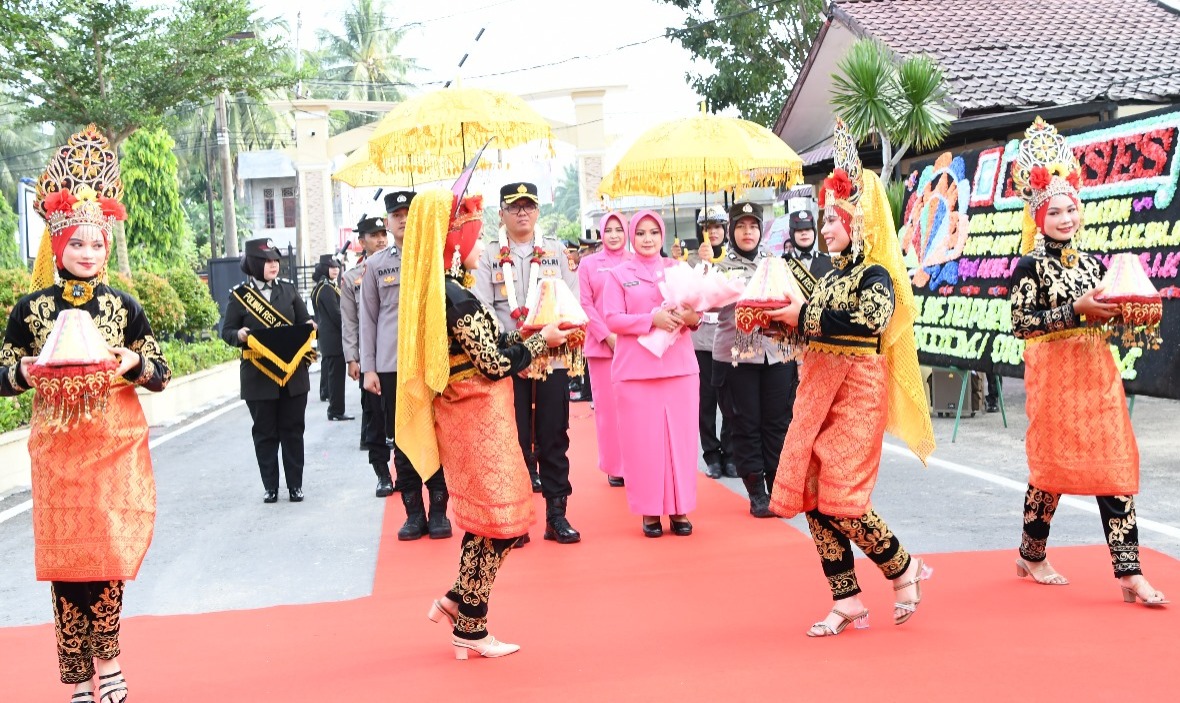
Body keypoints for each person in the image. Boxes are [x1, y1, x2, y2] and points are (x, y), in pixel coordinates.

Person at [0, 125, 171, 702]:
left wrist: (132, 363)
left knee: (107, 559)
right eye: (77, 243)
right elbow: (0, 373)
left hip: (113, 445)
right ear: (58, 245)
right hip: (57, 450)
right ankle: (76, 676)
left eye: (97, 244)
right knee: (67, 565)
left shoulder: (125, 306)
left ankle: (112, 660)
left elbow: (161, 372)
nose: (88, 253)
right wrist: (22, 374)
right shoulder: (30, 309)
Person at [765, 119, 936, 636]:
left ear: (859, 223)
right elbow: (816, 331)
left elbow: (869, 321)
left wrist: (803, 318)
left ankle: (902, 567)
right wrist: (781, 325)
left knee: (843, 494)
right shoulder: (828, 276)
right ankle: (847, 598)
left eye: (834, 219)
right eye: (823, 221)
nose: (825, 228)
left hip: (859, 392)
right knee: (815, 495)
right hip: (817, 390)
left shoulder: (875, 276)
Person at [397, 188, 571, 659]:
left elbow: (480, 354)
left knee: (487, 523)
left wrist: (529, 336)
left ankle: (461, 605)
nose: (482, 246)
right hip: (477, 421)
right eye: (474, 235)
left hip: (468, 417)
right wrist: (542, 342)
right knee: (501, 523)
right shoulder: (458, 298)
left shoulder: (441, 293)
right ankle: (470, 624)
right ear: (456, 243)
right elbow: (493, 363)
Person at [1006, 117, 1167, 606]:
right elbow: (1021, 323)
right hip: (1054, 377)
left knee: (1114, 467)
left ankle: (1130, 574)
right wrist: (1073, 310)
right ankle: (1031, 553)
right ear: (1038, 217)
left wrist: (1131, 314)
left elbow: (1107, 315)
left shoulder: (1096, 263)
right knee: (1052, 471)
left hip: (1096, 375)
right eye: (1055, 212)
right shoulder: (1029, 266)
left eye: (1071, 210)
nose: (1065, 219)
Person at [473, 181, 580, 544]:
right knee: (513, 438)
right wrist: (514, 345)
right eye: (514, 206)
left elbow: (571, 301)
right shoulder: (488, 256)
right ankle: (517, 521)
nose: (522, 212)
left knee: (553, 434)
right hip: (510, 357)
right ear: (501, 213)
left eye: (528, 206)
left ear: (537, 212)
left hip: (551, 358)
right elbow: (482, 306)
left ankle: (556, 515)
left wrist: (547, 339)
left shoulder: (556, 251)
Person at [603, 210, 702, 537]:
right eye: (641, 233)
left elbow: (696, 313)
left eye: (653, 233)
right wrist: (651, 319)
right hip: (636, 372)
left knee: (681, 442)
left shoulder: (678, 270)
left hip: (679, 370)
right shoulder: (618, 274)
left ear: (663, 236)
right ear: (633, 237)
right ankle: (649, 511)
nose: (647, 239)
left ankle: (679, 509)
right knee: (643, 444)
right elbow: (612, 319)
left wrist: (690, 316)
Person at [361, 193, 453, 539]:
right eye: (395, 214)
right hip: (392, 364)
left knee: (437, 435)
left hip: (431, 361)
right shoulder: (376, 265)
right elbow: (368, 319)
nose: (402, 219)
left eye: (408, 213)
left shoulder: (436, 256)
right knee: (402, 438)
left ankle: (440, 511)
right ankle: (414, 512)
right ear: (387, 222)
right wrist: (369, 368)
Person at [711, 201, 795, 518]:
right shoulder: (718, 267)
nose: (748, 233)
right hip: (735, 355)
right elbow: (709, 305)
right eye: (742, 226)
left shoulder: (774, 264)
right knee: (745, 424)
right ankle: (756, 492)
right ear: (731, 231)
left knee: (777, 423)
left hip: (775, 354)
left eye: (754, 226)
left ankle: (777, 488)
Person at [220, 237, 316, 503]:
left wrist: (310, 325)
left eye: (276, 260)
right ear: (254, 263)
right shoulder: (239, 296)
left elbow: (305, 320)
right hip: (258, 376)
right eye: (267, 261)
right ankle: (270, 486)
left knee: (293, 430)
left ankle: (295, 486)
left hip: (292, 376)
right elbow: (226, 331)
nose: (274, 265)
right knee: (265, 433)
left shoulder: (289, 290)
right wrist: (237, 334)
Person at [577, 211, 630, 487]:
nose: (613, 235)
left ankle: (636, 460)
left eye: (618, 229)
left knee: (635, 408)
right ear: (600, 233)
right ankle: (614, 465)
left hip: (633, 347)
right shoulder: (588, 264)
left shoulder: (634, 262)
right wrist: (607, 336)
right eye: (608, 230)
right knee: (608, 410)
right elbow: (585, 304)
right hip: (601, 348)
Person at [688, 205, 734, 480]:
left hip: (729, 336)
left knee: (730, 400)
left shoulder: (733, 258)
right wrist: (703, 266)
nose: (713, 232)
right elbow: (690, 295)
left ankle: (730, 453)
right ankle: (712, 455)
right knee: (706, 402)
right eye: (708, 227)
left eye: (718, 226)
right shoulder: (692, 261)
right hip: (703, 339)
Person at [340, 213, 390, 461]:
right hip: (370, 354)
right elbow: (349, 321)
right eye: (374, 236)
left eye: (383, 234)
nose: (381, 240)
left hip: (396, 349)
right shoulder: (351, 278)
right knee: (374, 416)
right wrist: (352, 357)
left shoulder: (402, 266)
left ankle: (406, 474)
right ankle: (381, 471)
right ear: (361, 241)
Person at [312, 254, 352, 421]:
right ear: (324, 269)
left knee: (333, 375)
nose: (335, 269)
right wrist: (350, 328)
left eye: (337, 266)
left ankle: (335, 408)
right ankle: (336, 410)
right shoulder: (326, 288)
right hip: (333, 338)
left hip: (329, 338)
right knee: (336, 377)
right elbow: (336, 314)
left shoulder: (324, 286)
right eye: (331, 267)